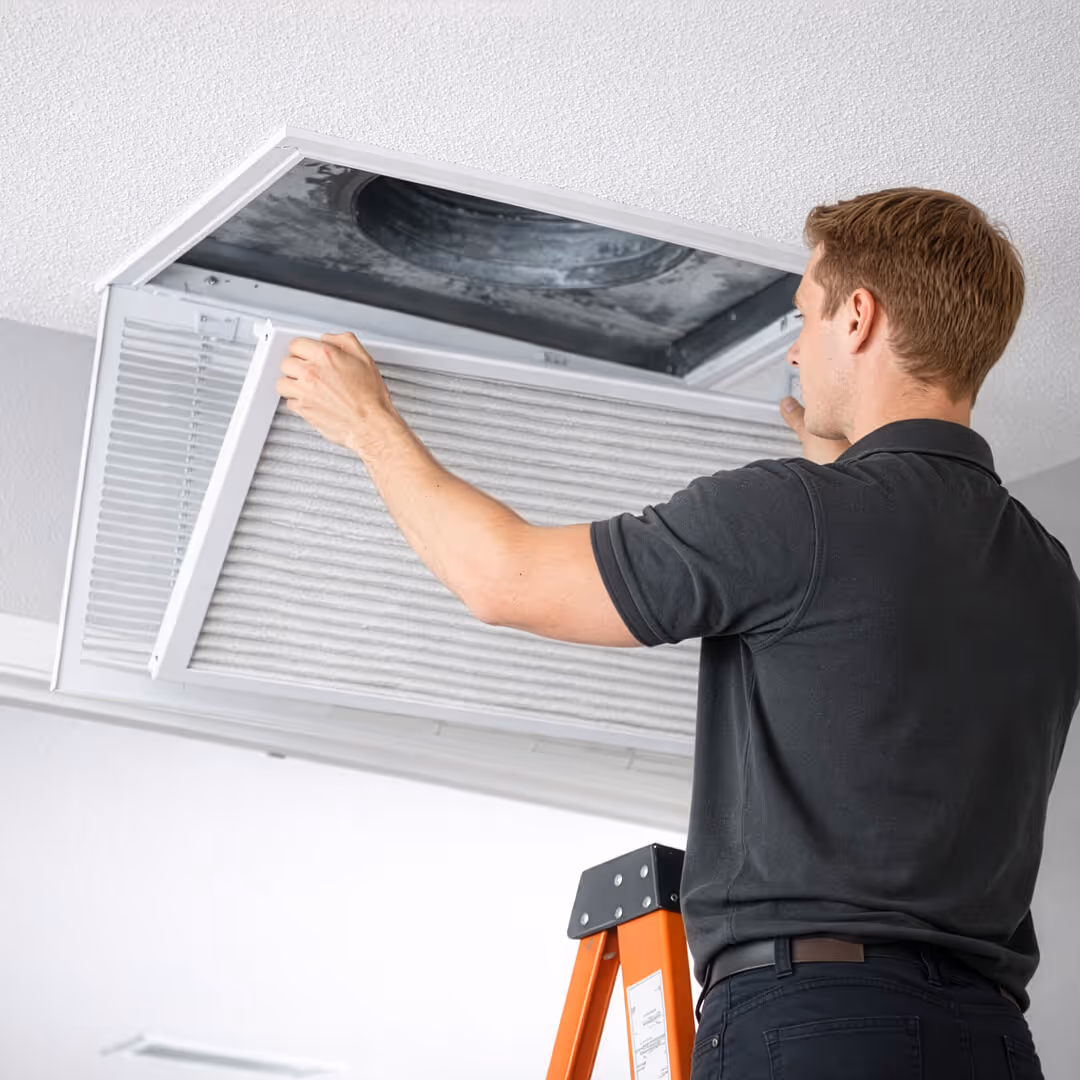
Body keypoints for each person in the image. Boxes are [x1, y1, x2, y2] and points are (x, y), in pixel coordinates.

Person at [275, 186, 1078, 1079]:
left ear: (859, 316)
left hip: (815, 1024)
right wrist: (831, 475)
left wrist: (369, 427)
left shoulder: (796, 513)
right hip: (993, 1044)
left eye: (802, 317)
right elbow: (877, 677)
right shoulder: (1047, 571)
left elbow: (506, 580)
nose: (795, 348)